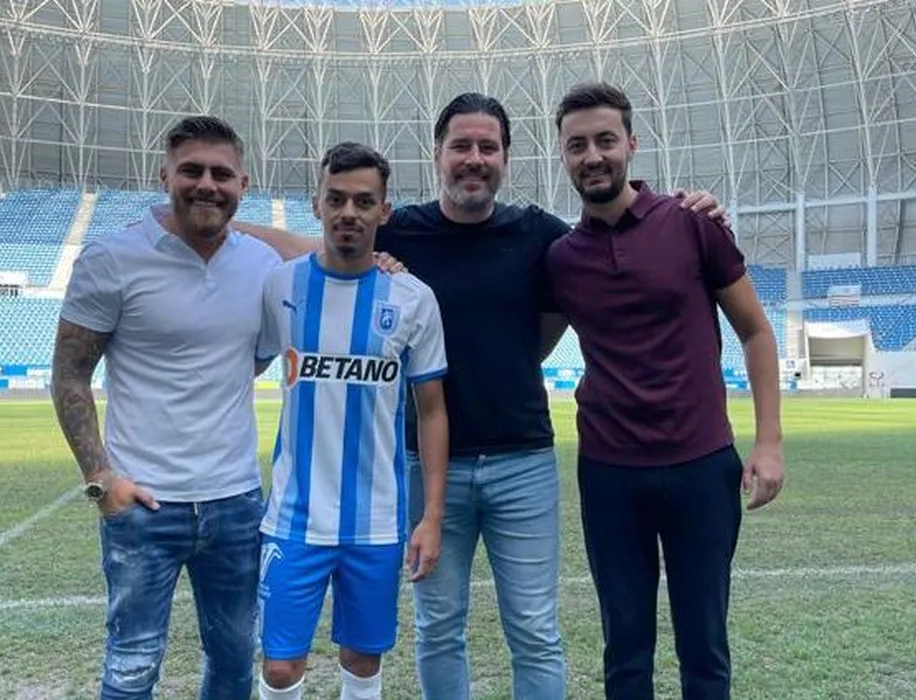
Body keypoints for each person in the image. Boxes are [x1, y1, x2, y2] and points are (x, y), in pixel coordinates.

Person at [234, 92, 729, 700]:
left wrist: (688, 208)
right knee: (439, 628)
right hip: (427, 468)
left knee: (535, 631)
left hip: (523, 463)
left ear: (505, 158)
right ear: (437, 154)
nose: (474, 158)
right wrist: (223, 223)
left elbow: (608, 246)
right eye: (461, 146)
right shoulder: (399, 230)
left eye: (487, 147)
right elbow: (317, 248)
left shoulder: (539, 235)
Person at [545, 82, 786, 700]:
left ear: (631, 144)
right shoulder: (561, 259)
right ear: (563, 156)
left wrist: (769, 443)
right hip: (609, 475)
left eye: (605, 140)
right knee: (625, 653)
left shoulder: (691, 223)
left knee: (704, 648)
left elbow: (756, 331)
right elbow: (526, 345)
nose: (593, 155)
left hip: (701, 467)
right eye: (577, 145)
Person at [51, 115, 281, 700]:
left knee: (234, 663)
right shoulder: (112, 258)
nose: (207, 184)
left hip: (235, 504)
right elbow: (70, 373)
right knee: (132, 668)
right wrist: (101, 478)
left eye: (221, 173)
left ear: (243, 184)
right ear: (165, 177)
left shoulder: (262, 267)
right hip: (143, 506)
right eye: (191, 171)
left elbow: (248, 361)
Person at [253, 141, 450, 700]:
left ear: (384, 211)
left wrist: (431, 516)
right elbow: (244, 364)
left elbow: (432, 410)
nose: (348, 212)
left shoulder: (413, 298)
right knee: (280, 668)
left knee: (362, 661)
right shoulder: (281, 285)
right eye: (335, 199)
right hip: (293, 517)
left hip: (377, 523)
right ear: (316, 204)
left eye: (364, 202)